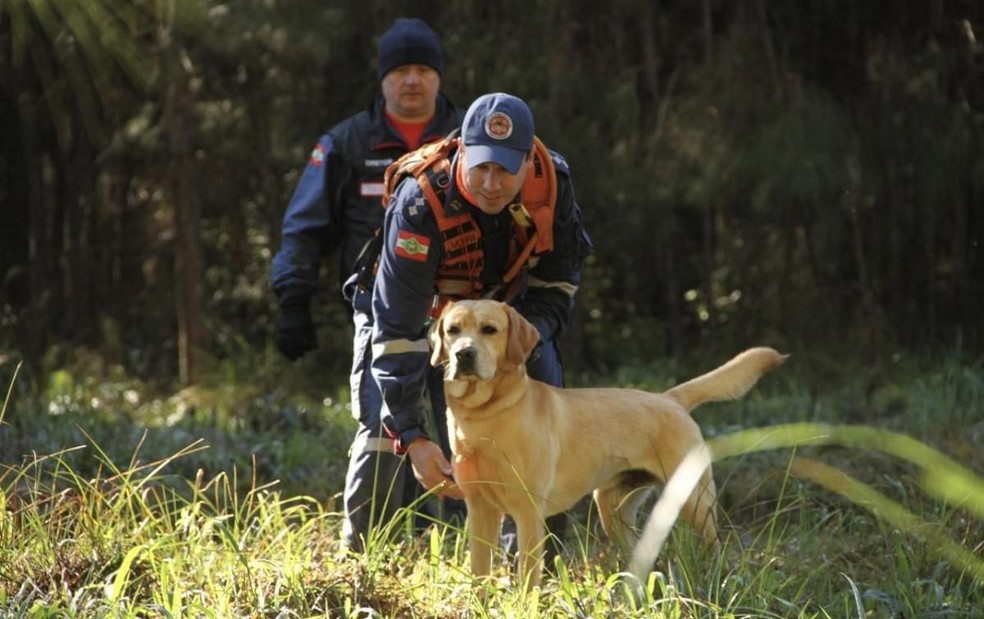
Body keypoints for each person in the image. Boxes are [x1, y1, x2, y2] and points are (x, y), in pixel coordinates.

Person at [362, 92, 594, 558]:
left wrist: (524, 338)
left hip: (506, 317)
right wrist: (413, 435)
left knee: (544, 385)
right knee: (378, 425)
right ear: (461, 152)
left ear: (528, 161)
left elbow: (558, 282)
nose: (490, 183)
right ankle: (366, 562)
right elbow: (397, 327)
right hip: (410, 317)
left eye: (505, 169)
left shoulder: (553, 186)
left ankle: (534, 564)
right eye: (481, 166)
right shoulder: (419, 203)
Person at [269, 17, 464, 551]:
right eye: (401, 70)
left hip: (459, 312)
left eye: (423, 69)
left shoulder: (467, 138)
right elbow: (304, 228)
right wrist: (293, 298)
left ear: (438, 77)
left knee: (464, 424)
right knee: (384, 427)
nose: (412, 81)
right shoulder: (346, 143)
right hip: (378, 306)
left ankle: (470, 550)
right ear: (382, 79)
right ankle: (367, 555)